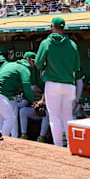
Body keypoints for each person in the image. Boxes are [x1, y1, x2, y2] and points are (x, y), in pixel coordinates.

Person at [35, 17, 81, 147]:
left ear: (52, 27)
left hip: (52, 84)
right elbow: (77, 67)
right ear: (63, 28)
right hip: (69, 85)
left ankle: (58, 145)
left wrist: (46, 66)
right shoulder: (72, 44)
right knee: (68, 116)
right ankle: (71, 145)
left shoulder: (46, 43)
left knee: (54, 117)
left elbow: (38, 64)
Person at [0, 52, 40, 137]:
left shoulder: (12, 64)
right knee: (10, 118)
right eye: (33, 61)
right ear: (28, 60)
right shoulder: (24, 68)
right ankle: (1, 140)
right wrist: (33, 102)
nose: (34, 64)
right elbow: (27, 87)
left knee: (1, 119)